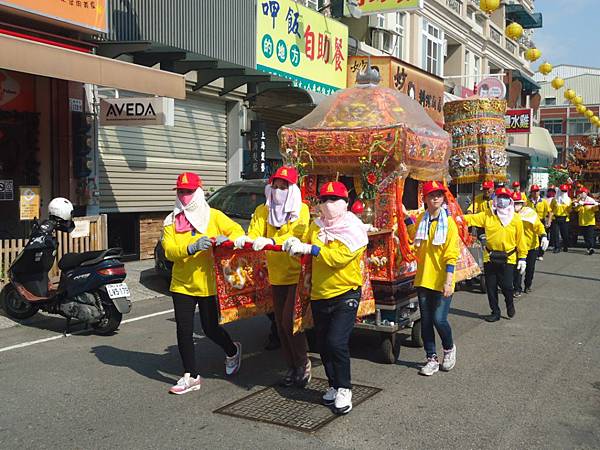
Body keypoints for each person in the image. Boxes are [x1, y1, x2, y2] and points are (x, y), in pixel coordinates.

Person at [283, 181, 368, 415]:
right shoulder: (315, 226)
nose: (328, 204)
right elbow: (305, 251)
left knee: (336, 342)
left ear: (345, 203)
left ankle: (344, 388)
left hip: (346, 293)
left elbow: (339, 258)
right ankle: (332, 384)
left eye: (333, 199)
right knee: (322, 344)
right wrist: (293, 246)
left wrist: (313, 249)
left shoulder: (354, 229)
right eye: (323, 200)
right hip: (320, 293)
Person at [162, 172, 245, 395]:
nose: (184, 196)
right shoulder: (171, 220)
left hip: (208, 283)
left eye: (189, 191)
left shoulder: (213, 216)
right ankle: (191, 375)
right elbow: (169, 251)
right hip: (182, 284)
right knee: (183, 330)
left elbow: (237, 231)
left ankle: (231, 350)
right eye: (181, 191)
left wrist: (224, 241)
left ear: (198, 192)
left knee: (210, 328)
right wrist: (190, 247)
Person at [235, 166, 311, 387]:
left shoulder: (301, 210)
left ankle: (302, 362)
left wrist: (273, 242)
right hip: (275, 274)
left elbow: (298, 235)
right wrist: (245, 240)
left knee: (290, 322)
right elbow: (255, 233)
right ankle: (292, 366)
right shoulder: (263, 210)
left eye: (284, 187)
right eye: (275, 186)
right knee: (280, 324)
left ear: (292, 189)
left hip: (296, 273)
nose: (278, 191)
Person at [404, 181, 459, 376]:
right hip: (424, 278)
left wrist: (448, 280)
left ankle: (449, 348)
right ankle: (431, 358)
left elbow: (452, 252)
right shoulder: (422, 219)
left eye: (438, 194)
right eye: (431, 195)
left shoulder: (449, 223)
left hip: (443, 278)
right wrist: (405, 217)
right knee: (426, 320)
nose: (435, 197)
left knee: (439, 319)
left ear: (443, 198)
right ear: (425, 199)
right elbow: (413, 237)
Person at [463, 187, 528, 322]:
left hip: (509, 258)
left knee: (507, 286)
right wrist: (454, 216)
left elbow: (521, 240)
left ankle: (509, 303)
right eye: (500, 197)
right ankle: (495, 311)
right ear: (495, 199)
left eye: (505, 197)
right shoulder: (488, 215)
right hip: (490, 256)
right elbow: (469, 219)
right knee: (491, 287)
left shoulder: (516, 219)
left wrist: (522, 257)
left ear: (510, 200)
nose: (502, 200)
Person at [512, 192, 549, 295]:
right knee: (517, 269)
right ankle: (517, 288)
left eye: (518, 203)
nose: (516, 205)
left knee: (530, 269)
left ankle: (528, 285)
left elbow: (538, 225)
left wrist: (544, 235)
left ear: (523, 203)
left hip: (531, 246)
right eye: (514, 203)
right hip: (517, 246)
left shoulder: (530, 213)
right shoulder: (509, 214)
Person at [573, 187, 599, 255]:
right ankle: (589, 248)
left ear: (586, 193)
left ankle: (591, 248)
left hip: (590, 222)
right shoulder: (579, 200)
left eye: (582, 192)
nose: (581, 194)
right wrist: (578, 204)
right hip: (582, 222)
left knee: (590, 236)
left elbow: (595, 209)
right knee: (585, 237)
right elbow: (576, 210)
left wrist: (597, 206)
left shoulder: (591, 200)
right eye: (580, 192)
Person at [527, 185, 550, 261]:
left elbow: (549, 212)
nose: (536, 193)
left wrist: (548, 221)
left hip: (541, 221)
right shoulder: (528, 201)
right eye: (534, 191)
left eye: (537, 191)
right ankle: (533, 252)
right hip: (531, 221)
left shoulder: (543, 201)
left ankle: (541, 253)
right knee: (532, 237)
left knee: (541, 237)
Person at [550, 184, 572, 253]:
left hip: (565, 218)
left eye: (565, 191)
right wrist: (550, 219)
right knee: (555, 234)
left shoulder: (568, 200)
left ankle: (565, 245)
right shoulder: (555, 199)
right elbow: (551, 209)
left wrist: (568, 206)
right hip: (556, 218)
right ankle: (557, 247)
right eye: (562, 190)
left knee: (565, 234)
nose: (563, 192)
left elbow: (570, 210)